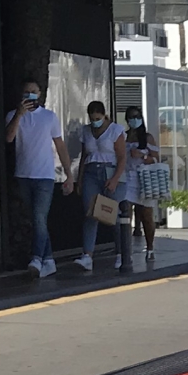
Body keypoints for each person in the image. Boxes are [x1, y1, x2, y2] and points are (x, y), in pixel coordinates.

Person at [5, 81, 70, 278]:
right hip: (24, 174)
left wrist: (69, 174)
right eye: (27, 92)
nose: (30, 95)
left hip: (45, 176)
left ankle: (37, 259)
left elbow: (60, 145)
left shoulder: (49, 117)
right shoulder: (13, 115)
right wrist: (19, 114)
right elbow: (8, 138)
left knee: (39, 217)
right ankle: (49, 259)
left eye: (34, 92)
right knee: (36, 219)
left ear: (40, 94)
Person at [67, 100, 125, 274]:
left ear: (104, 115)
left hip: (110, 170)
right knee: (90, 212)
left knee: (113, 213)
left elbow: (122, 157)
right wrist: (80, 178)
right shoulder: (86, 131)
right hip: (91, 171)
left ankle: (121, 252)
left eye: (98, 118)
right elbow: (84, 155)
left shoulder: (115, 130)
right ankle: (87, 256)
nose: (95, 122)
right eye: (92, 119)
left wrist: (115, 179)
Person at [119, 114, 165, 271]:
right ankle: (126, 251)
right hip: (127, 178)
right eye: (131, 117)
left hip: (144, 179)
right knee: (126, 213)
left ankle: (150, 247)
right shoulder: (123, 136)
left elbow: (156, 158)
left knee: (146, 215)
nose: (133, 120)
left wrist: (143, 155)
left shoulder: (147, 137)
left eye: (136, 116)